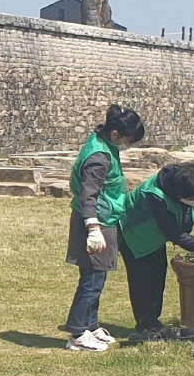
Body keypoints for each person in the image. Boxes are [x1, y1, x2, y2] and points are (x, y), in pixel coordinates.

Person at [63, 104, 147, 352]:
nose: (128, 145)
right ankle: (78, 332)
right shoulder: (99, 157)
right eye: (129, 140)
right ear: (116, 134)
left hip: (105, 219)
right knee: (92, 279)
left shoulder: (105, 145)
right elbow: (90, 194)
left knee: (98, 275)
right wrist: (93, 228)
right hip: (95, 222)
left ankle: (91, 324)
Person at [115, 161, 194, 339]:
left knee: (158, 276)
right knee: (143, 281)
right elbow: (174, 233)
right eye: (191, 198)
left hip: (156, 237)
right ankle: (146, 325)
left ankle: (153, 321)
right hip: (136, 235)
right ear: (178, 193)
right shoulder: (155, 194)